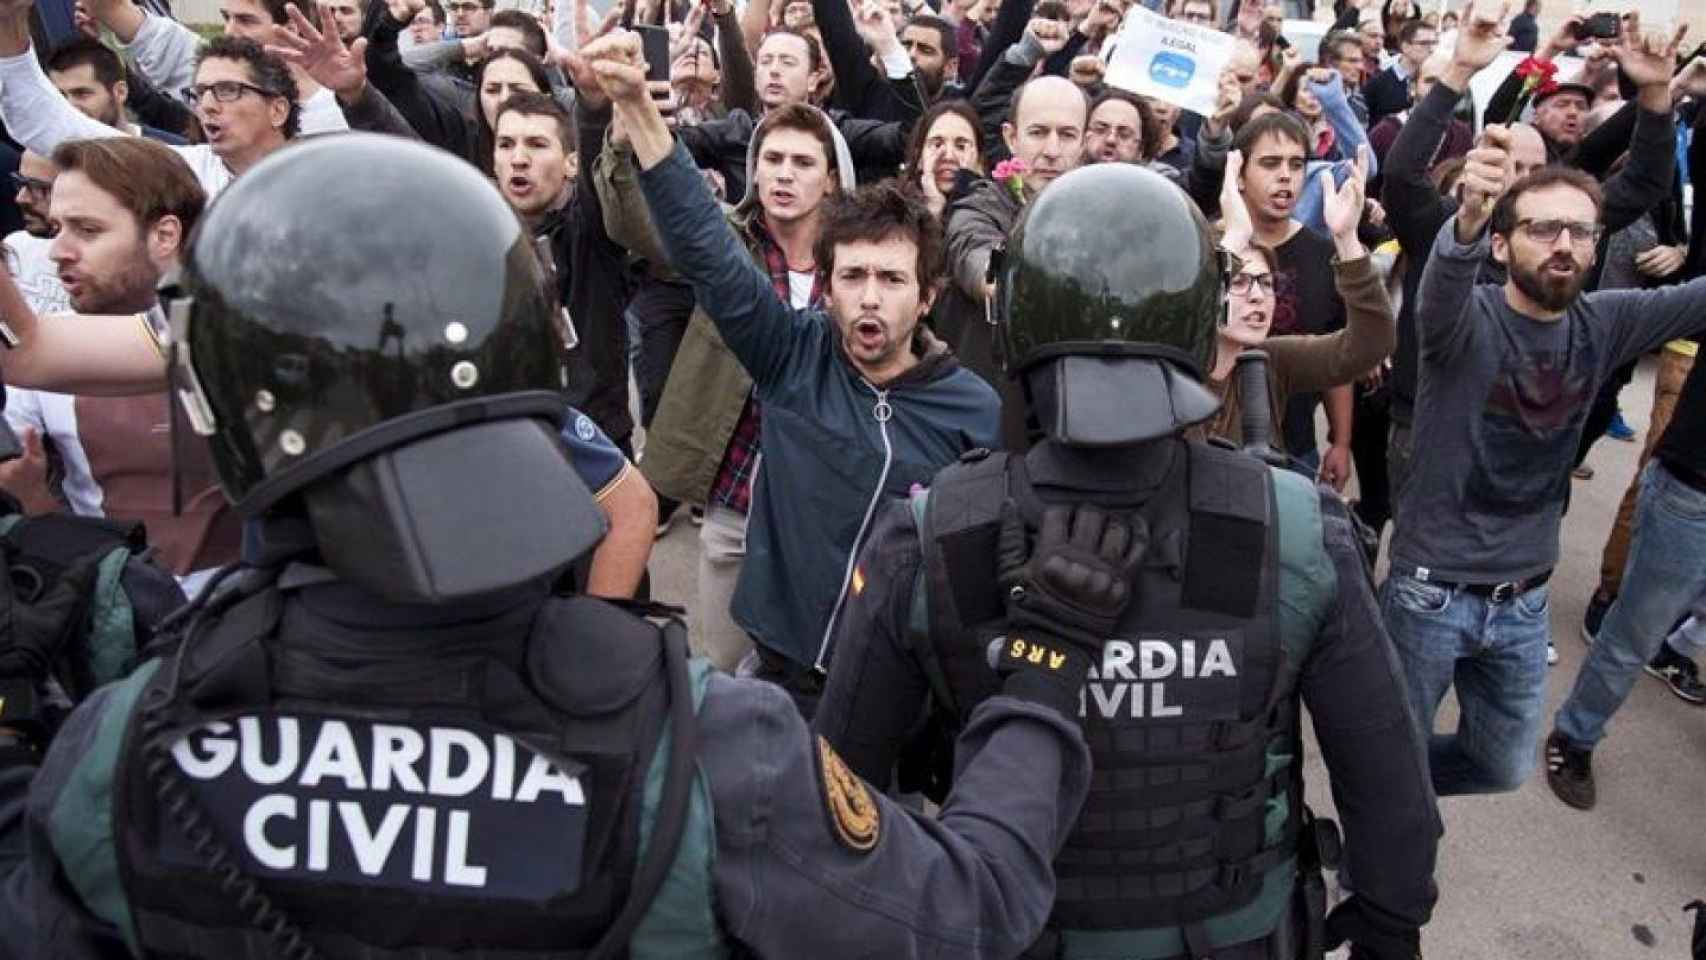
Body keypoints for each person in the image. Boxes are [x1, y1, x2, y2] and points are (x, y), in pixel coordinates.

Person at [0, 132, 1104, 960]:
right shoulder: (708, 738)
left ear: (231, 408)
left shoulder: (119, 747)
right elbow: (967, 907)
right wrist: (1043, 672)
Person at [813, 161, 1440, 960]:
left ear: (1015, 318)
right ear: (1199, 318)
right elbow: (1387, 783)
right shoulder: (1298, 529)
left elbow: (837, 804)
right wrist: (1391, 919)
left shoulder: (930, 535)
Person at [589, 31, 999, 700]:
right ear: (827, 285)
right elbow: (703, 244)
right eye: (854, 276)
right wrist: (636, 106)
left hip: (889, 685)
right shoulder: (789, 353)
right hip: (776, 668)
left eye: (892, 280)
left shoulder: (972, 408)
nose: (869, 296)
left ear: (927, 296)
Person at [1384, 93, 1706, 797]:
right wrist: (1467, 218)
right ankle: (1386, 822)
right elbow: (1442, 282)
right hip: (1430, 595)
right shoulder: (1461, 322)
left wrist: (1655, 102)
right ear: (1503, 245)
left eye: (1581, 233)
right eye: (1544, 229)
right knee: (1395, 760)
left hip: (1524, 600)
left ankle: (1387, 792)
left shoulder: (1605, 322)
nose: (1564, 244)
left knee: (1500, 767)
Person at [1204, 148, 1394, 455]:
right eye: (1238, 281)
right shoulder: (1175, 366)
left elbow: (1371, 344)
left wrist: (1347, 241)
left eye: (1266, 283)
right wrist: (1236, 236)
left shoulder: (1271, 361)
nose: (1257, 296)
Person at [0, 12, 302, 196]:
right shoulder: (182, 171)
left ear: (278, 109)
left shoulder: (319, 176)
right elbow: (48, 123)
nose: (207, 106)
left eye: (227, 90)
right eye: (199, 93)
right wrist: (10, 23)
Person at [74, 0, 349, 135]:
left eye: (246, 20)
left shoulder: (342, 111)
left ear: (290, 27)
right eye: (226, 18)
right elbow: (113, 10)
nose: (230, 32)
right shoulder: (211, 67)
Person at [45, 36, 189, 144]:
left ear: (120, 92)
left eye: (82, 93)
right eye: (60, 96)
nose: (69, 106)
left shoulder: (173, 154)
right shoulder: (47, 159)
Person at [1364, 19, 1435, 124]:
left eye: (1434, 43)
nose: (1431, 49)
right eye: (1424, 43)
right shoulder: (1378, 84)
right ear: (1405, 47)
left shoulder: (1437, 81)